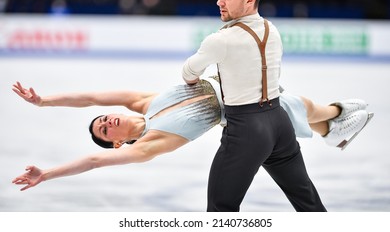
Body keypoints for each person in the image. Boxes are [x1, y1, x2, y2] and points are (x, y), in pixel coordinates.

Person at [12, 79, 371, 193]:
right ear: (117, 143)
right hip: (242, 111)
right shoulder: (150, 145)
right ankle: (337, 117)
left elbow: (89, 98)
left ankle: (335, 123)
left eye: (105, 120)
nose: (108, 123)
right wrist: (47, 174)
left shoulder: (142, 102)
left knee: (300, 107)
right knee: (298, 105)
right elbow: (92, 161)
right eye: (105, 132)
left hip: (232, 81)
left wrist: (43, 102)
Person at [181, 0, 332, 212]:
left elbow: (188, 73)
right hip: (279, 123)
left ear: (250, 0)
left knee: (220, 209)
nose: (219, 2)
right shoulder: (273, 30)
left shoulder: (220, 40)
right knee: (308, 203)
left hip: (246, 130)